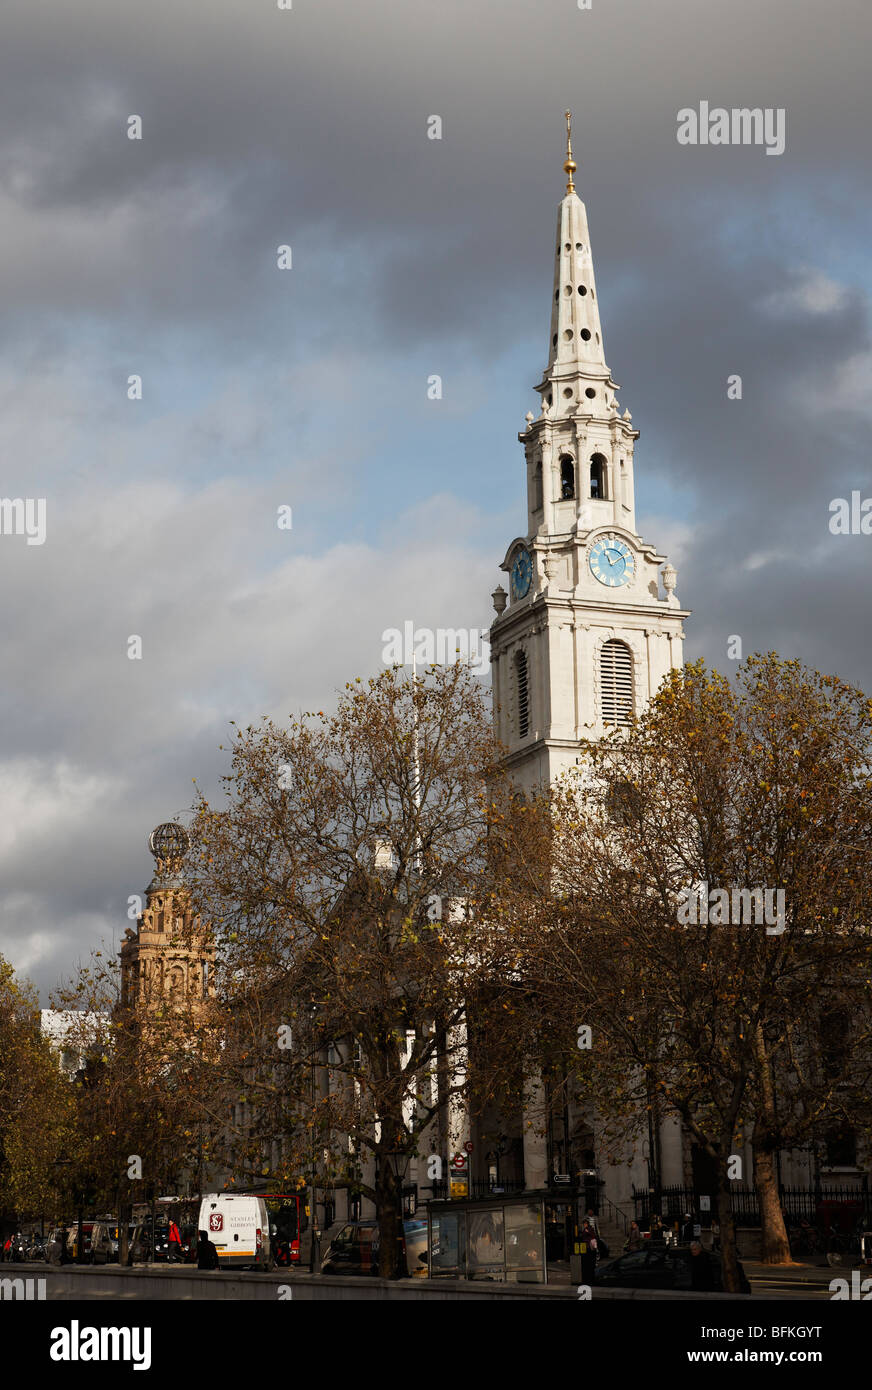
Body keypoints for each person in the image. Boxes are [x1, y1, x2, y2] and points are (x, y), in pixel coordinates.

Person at [579, 1219, 598, 1285]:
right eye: (584, 1224)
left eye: (585, 1224)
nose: (584, 1225)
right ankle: (587, 1280)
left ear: (587, 1224)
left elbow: (594, 1236)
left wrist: (588, 1232)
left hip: (590, 1248)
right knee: (586, 1264)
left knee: (590, 1264)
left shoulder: (590, 1229)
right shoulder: (584, 1229)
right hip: (585, 1247)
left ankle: (590, 1280)